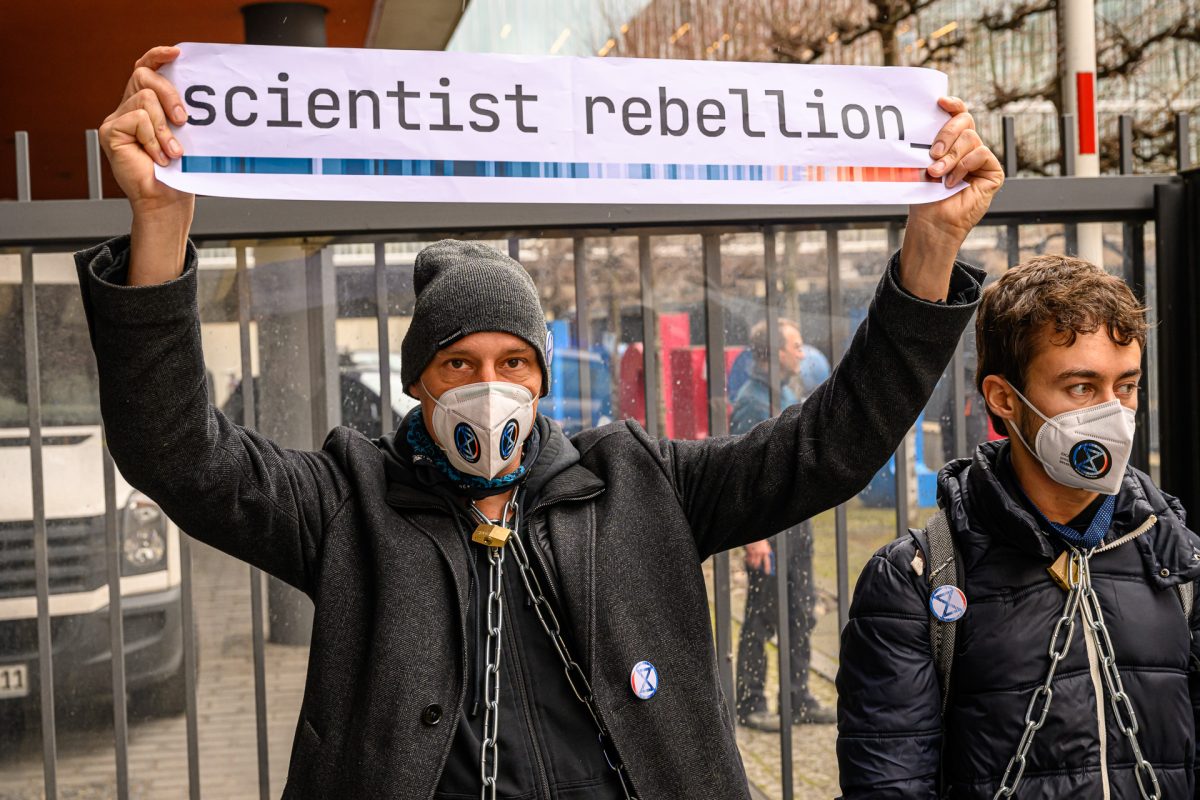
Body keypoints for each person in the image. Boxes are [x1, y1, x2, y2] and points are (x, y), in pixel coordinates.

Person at [81, 45, 1001, 800]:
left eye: (513, 362)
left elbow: (828, 446)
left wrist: (929, 255)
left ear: (543, 376)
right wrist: (158, 228)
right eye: (460, 365)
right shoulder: (346, 504)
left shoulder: (642, 483)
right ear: (420, 385)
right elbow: (179, 454)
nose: (491, 387)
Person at [836, 255, 1200, 798]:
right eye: (1081, 387)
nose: (1114, 415)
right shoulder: (917, 580)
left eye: (1125, 386)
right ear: (1004, 398)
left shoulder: (1177, 558)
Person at [731, 318, 834, 730]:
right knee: (761, 614)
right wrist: (754, 539)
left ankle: (798, 698)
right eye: (794, 345)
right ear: (773, 353)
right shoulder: (752, 403)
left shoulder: (785, 392)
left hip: (796, 526)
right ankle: (750, 702)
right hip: (770, 532)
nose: (802, 352)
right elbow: (744, 476)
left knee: (800, 611)